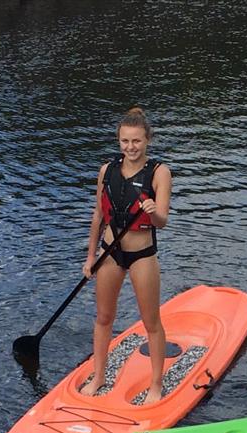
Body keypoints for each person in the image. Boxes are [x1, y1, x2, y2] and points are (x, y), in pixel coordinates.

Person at [78, 107, 172, 404]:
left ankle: (156, 385)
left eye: (136, 141)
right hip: (109, 253)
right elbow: (98, 215)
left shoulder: (160, 172)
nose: (130, 147)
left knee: (151, 322)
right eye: (125, 142)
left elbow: (162, 221)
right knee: (104, 317)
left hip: (142, 254)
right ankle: (99, 375)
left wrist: (154, 212)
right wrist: (90, 256)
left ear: (148, 141)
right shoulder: (106, 170)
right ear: (119, 141)